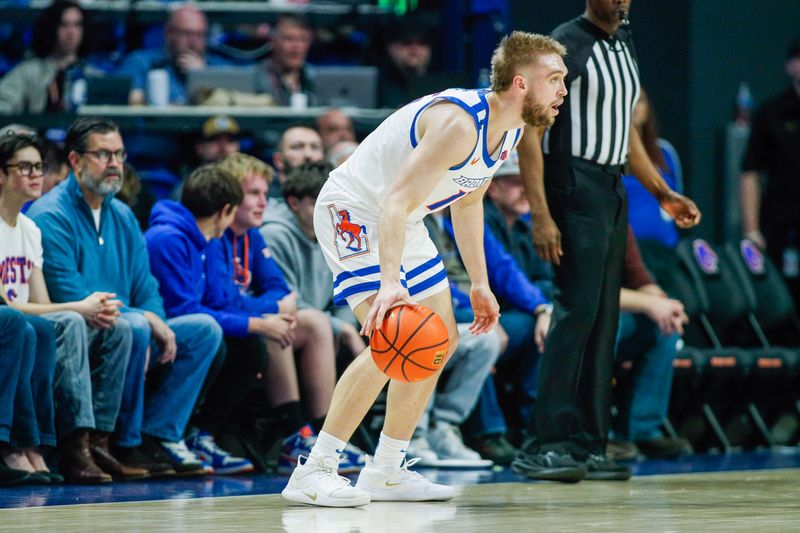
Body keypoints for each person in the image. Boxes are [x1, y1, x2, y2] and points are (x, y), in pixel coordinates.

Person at [281, 31, 568, 507]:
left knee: (441, 338)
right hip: (354, 209)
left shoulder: (512, 129)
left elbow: (469, 200)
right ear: (520, 83)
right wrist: (392, 284)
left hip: (404, 217)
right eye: (554, 79)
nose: (562, 90)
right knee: (394, 338)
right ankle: (316, 469)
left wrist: (479, 282)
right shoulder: (459, 123)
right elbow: (392, 200)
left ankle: (386, 469)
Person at [511, 0, 701, 483]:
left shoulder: (624, 41)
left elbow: (625, 133)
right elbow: (531, 133)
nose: (620, 1)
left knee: (603, 318)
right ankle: (544, 444)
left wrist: (661, 191)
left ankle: (589, 444)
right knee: (575, 312)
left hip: (611, 186)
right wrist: (541, 213)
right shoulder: (565, 43)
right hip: (571, 182)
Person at [27, 117, 223, 477]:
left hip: (124, 323)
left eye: (119, 153)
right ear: (75, 161)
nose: (115, 163)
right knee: (132, 324)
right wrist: (145, 319)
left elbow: (146, 287)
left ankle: (156, 436)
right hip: (76, 327)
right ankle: (115, 443)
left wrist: (155, 319)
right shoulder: (50, 215)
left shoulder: (122, 214)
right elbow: (70, 293)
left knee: (203, 329)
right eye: (103, 154)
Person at [211, 153, 362, 474]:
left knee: (312, 322)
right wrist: (273, 308)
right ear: (228, 196)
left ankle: (322, 437)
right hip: (224, 326)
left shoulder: (251, 236)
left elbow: (281, 290)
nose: (264, 203)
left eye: (265, 194)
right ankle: (295, 435)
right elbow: (226, 299)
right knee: (279, 324)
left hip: (252, 323)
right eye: (254, 194)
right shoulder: (219, 236)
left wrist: (277, 306)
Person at [1, 134, 135, 483]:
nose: (35, 175)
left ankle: (72, 442)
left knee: (73, 326)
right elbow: (7, 304)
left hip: (23, 321)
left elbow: (42, 305)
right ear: (0, 174)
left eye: (39, 167)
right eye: (24, 167)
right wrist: (80, 306)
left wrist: (81, 309)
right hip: (9, 320)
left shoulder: (29, 229)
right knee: (47, 323)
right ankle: (39, 444)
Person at [144, 165, 256, 475]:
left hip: (180, 330)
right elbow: (183, 311)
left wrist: (261, 319)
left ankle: (195, 434)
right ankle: (161, 433)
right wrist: (253, 323)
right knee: (210, 333)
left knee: (246, 345)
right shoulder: (167, 239)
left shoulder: (205, 240)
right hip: (154, 335)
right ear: (226, 211)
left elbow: (221, 299)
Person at [261, 161, 365, 361]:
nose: (327, 209)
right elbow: (288, 301)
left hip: (323, 325)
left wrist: (346, 327)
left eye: (332, 200)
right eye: (317, 201)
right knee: (321, 327)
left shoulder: (336, 233)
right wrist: (340, 327)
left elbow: (345, 293)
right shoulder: (274, 235)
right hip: (289, 324)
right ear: (294, 203)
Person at [608, 227, 693, 460]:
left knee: (664, 328)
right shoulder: (574, 217)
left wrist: (666, 306)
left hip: (611, 313)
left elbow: (639, 277)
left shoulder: (617, 220)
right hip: (571, 317)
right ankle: (594, 433)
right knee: (603, 331)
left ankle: (641, 429)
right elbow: (588, 292)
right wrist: (648, 304)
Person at [740, 37, 800, 306]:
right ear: (790, 65)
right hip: (779, 223)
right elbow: (750, 172)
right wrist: (751, 229)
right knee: (778, 301)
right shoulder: (771, 113)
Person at [117, 3, 229, 106]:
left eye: (200, 35)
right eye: (187, 34)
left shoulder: (217, 66)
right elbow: (122, 99)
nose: (193, 42)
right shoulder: (140, 62)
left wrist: (204, 76)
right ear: (168, 33)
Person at [0, 1, 95, 114]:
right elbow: (4, 103)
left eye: (77, 24)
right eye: (63, 24)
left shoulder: (92, 74)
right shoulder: (28, 72)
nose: (71, 31)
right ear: (51, 27)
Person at [623, 89, 684, 249]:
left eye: (640, 100)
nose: (634, 106)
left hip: (665, 248)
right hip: (627, 250)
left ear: (648, 107)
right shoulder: (609, 155)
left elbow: (677, 197)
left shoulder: (665, 152)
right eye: (629, 99)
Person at [255, 15, 317, 107]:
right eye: (289, 39)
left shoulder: (314, 79)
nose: (296, 46)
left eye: (303, 40)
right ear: (272, 42)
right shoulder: (256, 78)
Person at [376, 20, 433, 109]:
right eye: (406, 42)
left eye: (422, 43)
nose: (414, 49)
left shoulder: (441, 85)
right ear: (390, 47)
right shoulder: (376, 85)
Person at [266, 124, 325, 200]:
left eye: (315, 147)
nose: (308, 154)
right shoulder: (264, 196)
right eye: (297, 147)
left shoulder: (335, 192)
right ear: (278, 160)